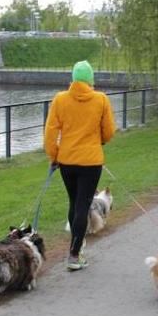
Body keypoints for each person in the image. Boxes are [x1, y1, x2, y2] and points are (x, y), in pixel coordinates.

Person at [44, 60, 116, 271]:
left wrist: (54, 155)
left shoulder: (60, 99)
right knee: (83, 204)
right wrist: (99, 140)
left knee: (74, 203)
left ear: (73, 79)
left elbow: (50, 132)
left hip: (67, 161)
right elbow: (109, 131)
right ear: (91, 80)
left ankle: (77, 243)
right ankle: (74, 254)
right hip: (91, 161)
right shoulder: (101, 100)